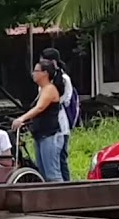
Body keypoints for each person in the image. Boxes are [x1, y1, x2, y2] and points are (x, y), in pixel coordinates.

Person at [13, 60, 66, 182]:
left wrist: (22, 118)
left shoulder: (50, 89)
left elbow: (40, 108)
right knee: (43, 173)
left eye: (36, 71)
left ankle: (62, 198)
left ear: (45, 73)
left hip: (50, 135)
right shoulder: (42, 89)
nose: (33, 74)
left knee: (52, 173)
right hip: (40, 135)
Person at [42, 47, 79, 181]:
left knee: (61, 157)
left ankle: (66, 185)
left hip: (60, 122)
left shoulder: (63, 78)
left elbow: (66, 99)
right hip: (47, 122)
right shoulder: (44, 78)